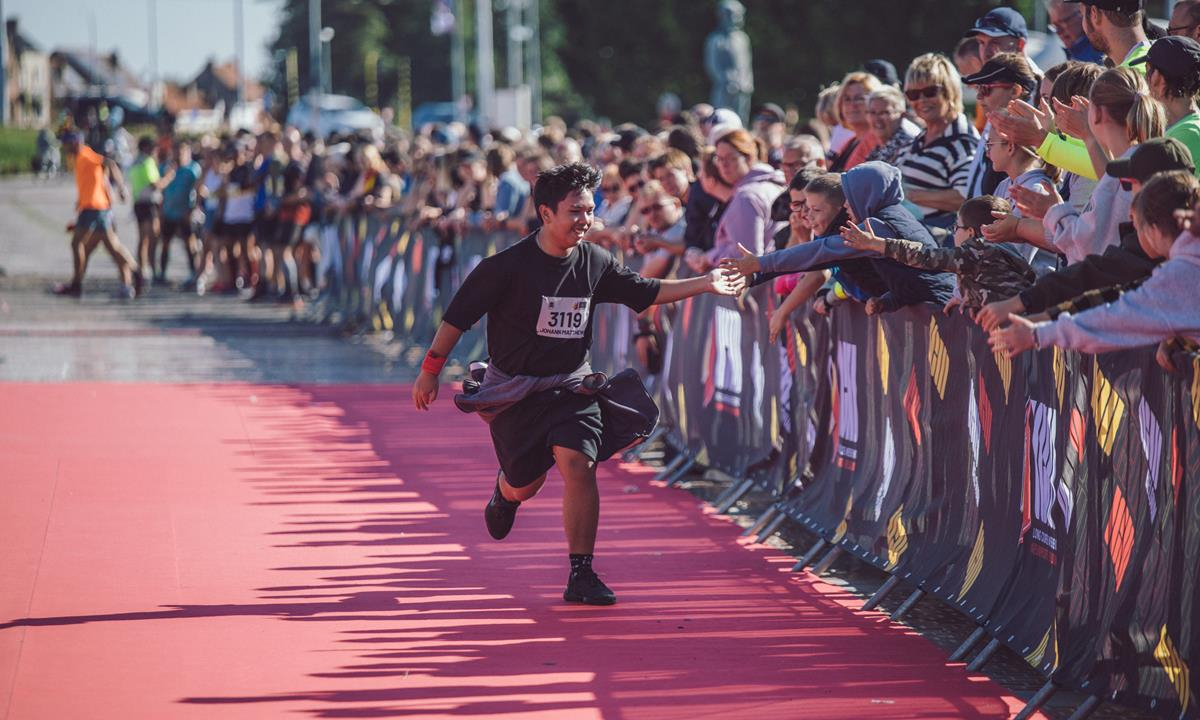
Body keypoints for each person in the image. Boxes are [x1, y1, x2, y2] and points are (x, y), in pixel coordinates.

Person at [411, 162, 747, 606]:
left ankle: (581, 572)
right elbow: (457, 319)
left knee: (578, 463)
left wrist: (705, 283)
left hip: (571, 386)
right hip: (515, 392)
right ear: (546, 213)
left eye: (590, 210)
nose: (585, 220)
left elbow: (645, 291)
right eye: (574, 211)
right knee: (525, 483)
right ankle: (506, 493)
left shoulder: (596, 261)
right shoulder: (505, 268)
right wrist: (430, 371)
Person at [977, 136, 1195, 331]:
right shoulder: (1145, 242)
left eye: (1130, 184)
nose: (1127, 192)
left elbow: (1100, 277)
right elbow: (1105, 287)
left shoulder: (1183, 260)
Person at [988, 170, 1200, 356]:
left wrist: (1038, 334)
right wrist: (1176, 336)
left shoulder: (1182, 273)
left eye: (1135, 225)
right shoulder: (1184, 266)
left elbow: (1118, 317)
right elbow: (1126, 295)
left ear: (1153, 229)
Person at [722, 162, 956, 315]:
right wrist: (888, 301)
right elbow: (910, 275)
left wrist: (760, 264)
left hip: (943, 312)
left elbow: (819, 252)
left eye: (850, 196)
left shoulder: (875, 227)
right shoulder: (888, 216)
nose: (846, 204)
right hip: (936, 309)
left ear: (865, 194)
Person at [984, 66, 1166, 263]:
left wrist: (1049, 213)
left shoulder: (1126, 174)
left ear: (1094, 115)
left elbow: (1086, 245)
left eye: (1052, 104)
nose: (1053, 113)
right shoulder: (1142, 161)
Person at [993, 0, 1150, 181]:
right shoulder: (1145, 65)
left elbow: (1115, 168)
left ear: (1095, 15)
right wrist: (1050, 133)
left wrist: (1042, 140)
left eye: (1082, 14)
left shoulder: (1135, 77)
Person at [842, 194, 1035, 312]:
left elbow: (926, 256)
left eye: (956, 227)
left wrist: (876, 243)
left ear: (970, 232)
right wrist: (963, 298)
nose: (953, 232)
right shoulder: (1002, 250)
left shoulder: (979, 249)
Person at [897, 53, 980, 229]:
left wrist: (908, 195)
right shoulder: (922, 136)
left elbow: (965, 198)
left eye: (930, 92)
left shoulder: (961, 141)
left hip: (937, 241)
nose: (921, 100)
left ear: (950, 92)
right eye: (913, 94)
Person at [53, 136, 140, 298]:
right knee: (110, 247)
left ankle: (77, 285)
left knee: (79, 244)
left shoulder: (86, 155)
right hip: (94, 208)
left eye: (67, 144)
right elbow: (91, 184)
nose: (65, 148)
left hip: (94, 209)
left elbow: (109, 163)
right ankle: (135, 273)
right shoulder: (80, 159)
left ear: (75, 143)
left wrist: (122, 188)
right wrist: (79, 204)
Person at [962, 53, 1041, 200]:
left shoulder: (1020, 138)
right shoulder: (993, 125)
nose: (979, 96)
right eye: (978, 88)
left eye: (986, 89)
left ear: (1014, 91)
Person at [702, 129, 786, 266]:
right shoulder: (775, 183)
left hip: (762, 283)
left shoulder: (747, 197)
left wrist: (708, 257)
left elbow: (747, 256)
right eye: (719, 159)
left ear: (749, 157)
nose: (723, 165)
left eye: (730, 158)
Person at [1133, 35, 1200, 172]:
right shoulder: (1183, 128)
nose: (1145, 78)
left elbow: (1145, 183)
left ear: (1158, 77)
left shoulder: (1189, 133)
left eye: (1147, 69)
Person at [159, 141, 205, 287]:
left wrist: (192, 210)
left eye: (181, 151)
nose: (178, 155)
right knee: (165, 243)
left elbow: (199, 190)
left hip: (185, 212)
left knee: (189, 244)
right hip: (169, 212)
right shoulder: (167, 168)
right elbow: (161, 188)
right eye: (176, 151)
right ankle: (162, 273)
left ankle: (194, 274)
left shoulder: (193, 169)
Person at [128, 135, 171, 285]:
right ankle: (150, 269)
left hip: (139, 202)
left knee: (143, 239)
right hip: (148, 204)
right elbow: (155, 184)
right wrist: (168, 178)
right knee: (151, 238)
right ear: (147, 148)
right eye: (154, 148)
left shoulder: (135, 162)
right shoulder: (147, 162)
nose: (156, 151)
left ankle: (144, 268)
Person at [827, 72, 883, 172]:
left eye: (859, 98)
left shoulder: (877, 142)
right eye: (847, 99)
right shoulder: (850, 142)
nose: (852, 105)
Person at [964, 6, 1043, 72]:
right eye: (981, 42)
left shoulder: (1044, 88)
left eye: (994, 42)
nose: (986, 52)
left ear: (1020, 45)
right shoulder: (985, 86)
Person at [864, 87, 920, 166]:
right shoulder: (878, 149)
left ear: (902, 115)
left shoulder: (907, 147)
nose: (877, 119)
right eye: (872, 112)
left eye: (884, 113)